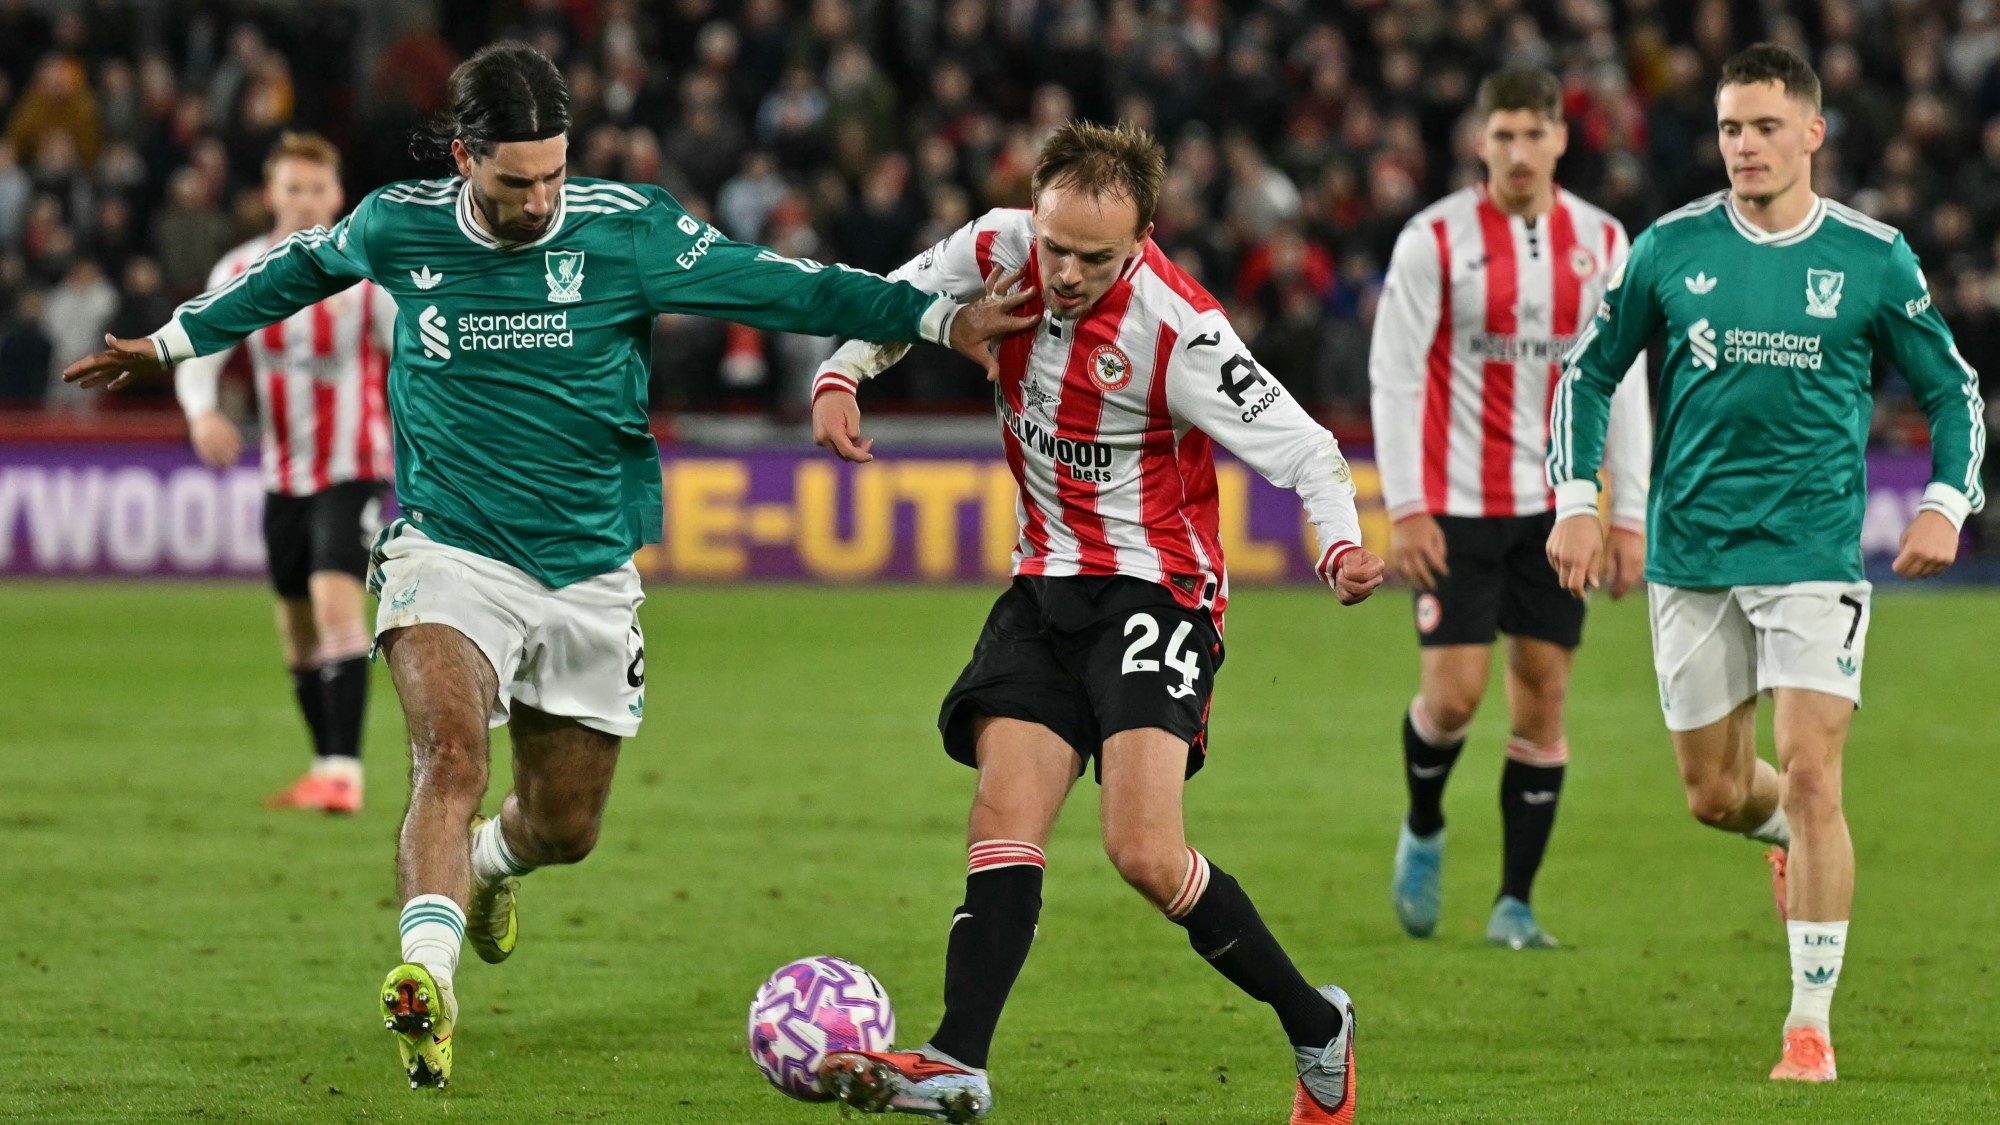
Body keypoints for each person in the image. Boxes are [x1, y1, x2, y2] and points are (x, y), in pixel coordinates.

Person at [61, 41, 1036, 1091]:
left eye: (554, 176)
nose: (539, 201)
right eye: (516, 181)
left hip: (587, 567)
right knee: (448, 755)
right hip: (448, 547)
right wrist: (171, 345)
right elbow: (297, 267)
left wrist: (932, 318)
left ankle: (492, 864)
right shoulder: (400, 225)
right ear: (463, 157)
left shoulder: (626, 229)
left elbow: (780, 287)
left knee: (564, 826)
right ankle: (427, 981)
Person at [806, 121, 1386, 1125]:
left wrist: (1337, 544)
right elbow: (895, 299)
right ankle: (956, 1059)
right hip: (1044, 586)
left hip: (1158, 590)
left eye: (1095, 258)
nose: (1067, 274)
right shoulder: (997, 246)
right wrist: (841, 372)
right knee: (1002, 813)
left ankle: (1315, 1023)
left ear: (1142, 239)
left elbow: (1307, 450)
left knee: (1143, 852)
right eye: (1056, 247)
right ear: (1033, 216)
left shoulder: (1182, 329)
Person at [1547, 44, 1984, 1082]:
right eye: (1730, 128)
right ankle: (1788, 834)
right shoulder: (1668, 247)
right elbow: (1587, 374)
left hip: (1812, 550)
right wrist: (1576, 501)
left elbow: (1953, 389)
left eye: (1764, 126)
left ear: (1811, 133)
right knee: (1713, 794)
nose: (1744, 145)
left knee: (1813, 771)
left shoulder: (1873, 257)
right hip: (1692, 550)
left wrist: (1944, 501)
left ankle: (1808, 1025)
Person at [1368, 69, 1650, 950]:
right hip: (1455, 504)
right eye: (1503, 135)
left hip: (1560, 508)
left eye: (1534, 134)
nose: (1519, 152)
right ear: (1479, 141)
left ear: (1561, 138)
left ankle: (1514, 904)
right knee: (1453, 699)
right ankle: (1424, 824)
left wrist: (1628, 512)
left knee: (1543, 692)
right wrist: (1405, 505)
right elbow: (1394, 374)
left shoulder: (1604, 241)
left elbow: (1625, 380)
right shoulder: (1433, 239)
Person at [174, 132, 396, 815]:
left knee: (335, 602)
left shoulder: (366, 274)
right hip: (283, 474)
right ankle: (326, 765)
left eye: (316, 189)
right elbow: (199, 349)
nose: (303, 200)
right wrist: (202, 413)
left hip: (355, 464)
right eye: (292, 188)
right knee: (296, 630)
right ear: (271, 194)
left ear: (337, 195)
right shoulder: (241, 268)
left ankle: (344, 774)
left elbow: (413, 354)